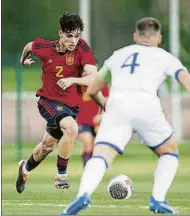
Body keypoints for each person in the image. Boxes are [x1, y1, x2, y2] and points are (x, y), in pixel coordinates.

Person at [61, 17, 190, 215]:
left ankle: (83, 195)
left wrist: (105, 106)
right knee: (169, 151)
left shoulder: (119, 55)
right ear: (159, 38)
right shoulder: (164, 56)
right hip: (147, 106)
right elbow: (184, 76)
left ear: (135, 36)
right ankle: (157, 200)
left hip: (118, 106)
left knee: (101, 155)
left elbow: (94, 88)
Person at [16, 12, 98, 193]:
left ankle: (24, 169)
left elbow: (94, 77)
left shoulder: (82, 48)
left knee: (47, 147)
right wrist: (23, 60)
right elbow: (29, 46)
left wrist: (73, 80)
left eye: (77, 36)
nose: (73, 40)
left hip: (70, 106)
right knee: (71, 128)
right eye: (69, 35)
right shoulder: (45, 48)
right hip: (48, 101)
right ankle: (61, 176)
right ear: (60, 33)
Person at [77, 85, 109, 167]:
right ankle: (86, 171)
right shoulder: (77, 84)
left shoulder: (101, 84)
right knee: (88, 144)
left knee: (97, 148)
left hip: (97, 122)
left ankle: (94, 170)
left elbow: (106, 101)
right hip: (83, 121)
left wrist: (101, 115)